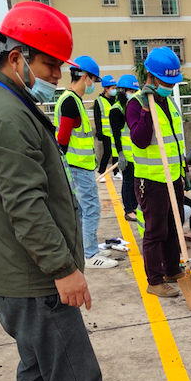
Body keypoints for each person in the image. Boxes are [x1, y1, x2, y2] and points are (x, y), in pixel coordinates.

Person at [0, 1, 156, 381]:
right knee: (74, 375)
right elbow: (25, 203)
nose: (55, 74)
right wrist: (64, 269)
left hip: (12, 274)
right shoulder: (7, 114)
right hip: (34, 280)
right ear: (17, 55)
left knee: (36, 368)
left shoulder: (1, 102)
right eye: (48, 64)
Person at [126, 46, 191, 298]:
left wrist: (185, 169)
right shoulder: (136, 104)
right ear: (151, 77)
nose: (168, 85)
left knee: (174, 225)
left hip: (173, 176)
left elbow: (175, 139)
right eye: (164, 81)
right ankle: (154, 280)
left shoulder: (170, 102)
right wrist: (145, 110)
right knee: (155, 231)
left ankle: (172, 269)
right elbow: (140, 140)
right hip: (151, 180)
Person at [54, 54, 117, 268]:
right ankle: (89, 255)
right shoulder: (71, 102)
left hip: (78, 166)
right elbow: (62, 139)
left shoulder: (71, 100)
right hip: (77, 167)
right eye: (94, 80)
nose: (94, 85)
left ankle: (83, 251)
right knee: (91, 209)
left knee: (82, 211)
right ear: (85, 77)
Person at [109, 74, 139, 222]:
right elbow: (116, 134)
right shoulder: (116, 110)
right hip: (125, 154)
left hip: (134, 153)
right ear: (122, 91)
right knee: (128, 181)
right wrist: (120, 154)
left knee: (135, 181)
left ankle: (134, 206)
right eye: (130, 91)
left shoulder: (129, 107)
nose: (132, 94)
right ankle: (129, 210)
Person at [94, 74, 119, 182]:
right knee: (107, 152)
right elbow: (97, 117)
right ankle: (101, 172)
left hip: (116, 132)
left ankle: (116, 172)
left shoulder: (117, 100)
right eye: (112, 88)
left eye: (115, 88)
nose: (114, 90)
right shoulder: (99, 101)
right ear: (106, 89)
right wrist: (99, 132)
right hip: (106, 133)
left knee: (117, 153)